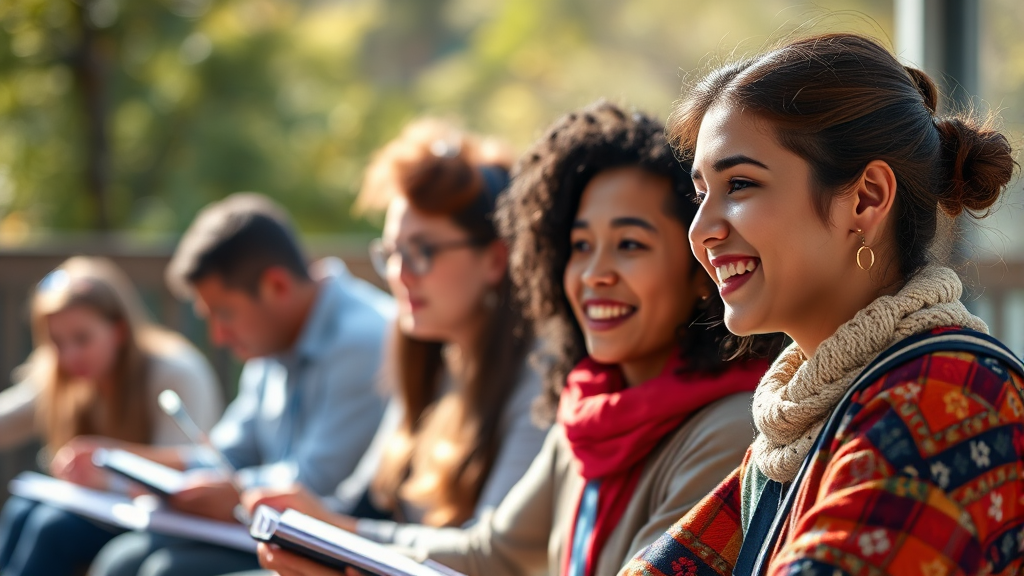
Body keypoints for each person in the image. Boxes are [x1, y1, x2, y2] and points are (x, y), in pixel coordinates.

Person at [255, 101, 780, 576]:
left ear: (698, 269)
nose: (594, 273)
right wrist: (335, 540)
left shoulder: (729, 430)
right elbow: (492, 555)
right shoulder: (588, 410)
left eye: (628, 244)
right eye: (579, 245)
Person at [620, 33, 1024, 576]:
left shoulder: (948, 396)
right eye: (700, 194)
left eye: (740, 184)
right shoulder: (799, 424)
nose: (701, 231)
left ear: (866, 198)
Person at [235, 118, 549, 565]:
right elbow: (364, 502)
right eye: (393, 252)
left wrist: (336, 529)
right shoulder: (427, 356)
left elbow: (493, 558)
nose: (400, 274)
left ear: (496, 259)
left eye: (423, 251)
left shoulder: (538, 376)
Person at [87, 193, 394, 576]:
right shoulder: (273, 337)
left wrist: (232, 492)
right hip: (259, 528)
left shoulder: (366, 340)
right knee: (121, 560)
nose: (218, 336)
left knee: (163, 571)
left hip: (333, 547)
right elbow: (229, 452)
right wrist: (136, 465)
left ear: (276, 286)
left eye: (225, 314)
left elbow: (317, 484)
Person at [0, 256, 222, 576]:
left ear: (117, 329)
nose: (68, 355)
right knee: (21, 509)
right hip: (102, 511)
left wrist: (108, 468)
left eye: (82, 339)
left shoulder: (175, 371)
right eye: (57, 343)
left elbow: (187, 472)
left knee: (50, 527)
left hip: (165, 522)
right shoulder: (62, 375)